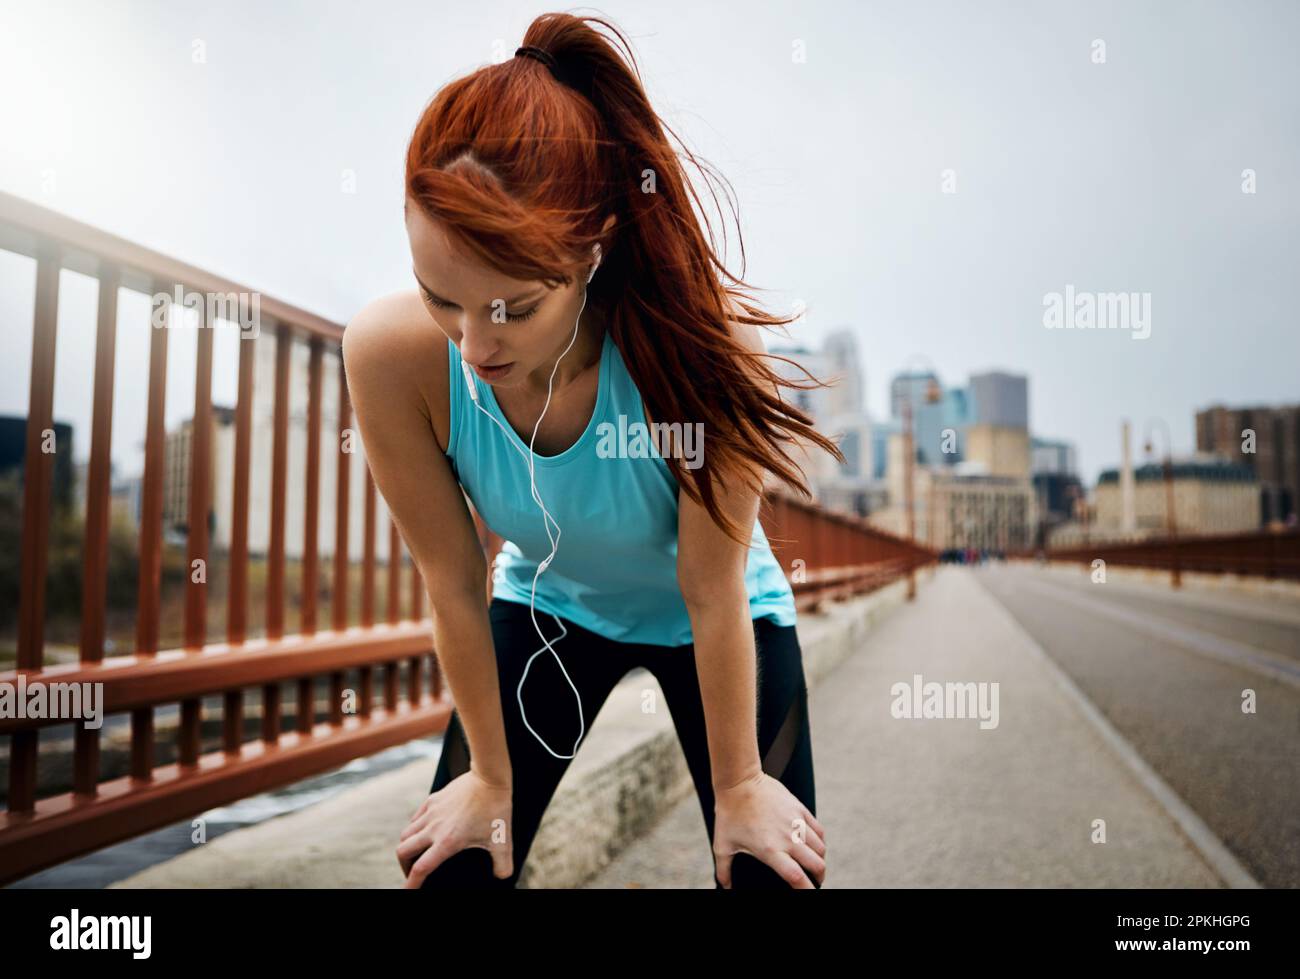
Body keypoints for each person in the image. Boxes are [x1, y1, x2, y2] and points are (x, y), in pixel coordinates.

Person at [343, 11, 843, 889]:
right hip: (550, 607)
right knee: (455, 862)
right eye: (441, 299)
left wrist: (738, 787)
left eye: (514, 309)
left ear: (594, 249)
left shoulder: (701, 355)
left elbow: (710, 585)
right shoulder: (391, 358)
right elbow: (453, 581)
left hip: (720, 616)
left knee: (768, 868)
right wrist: (490, 783)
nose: (472, 347)